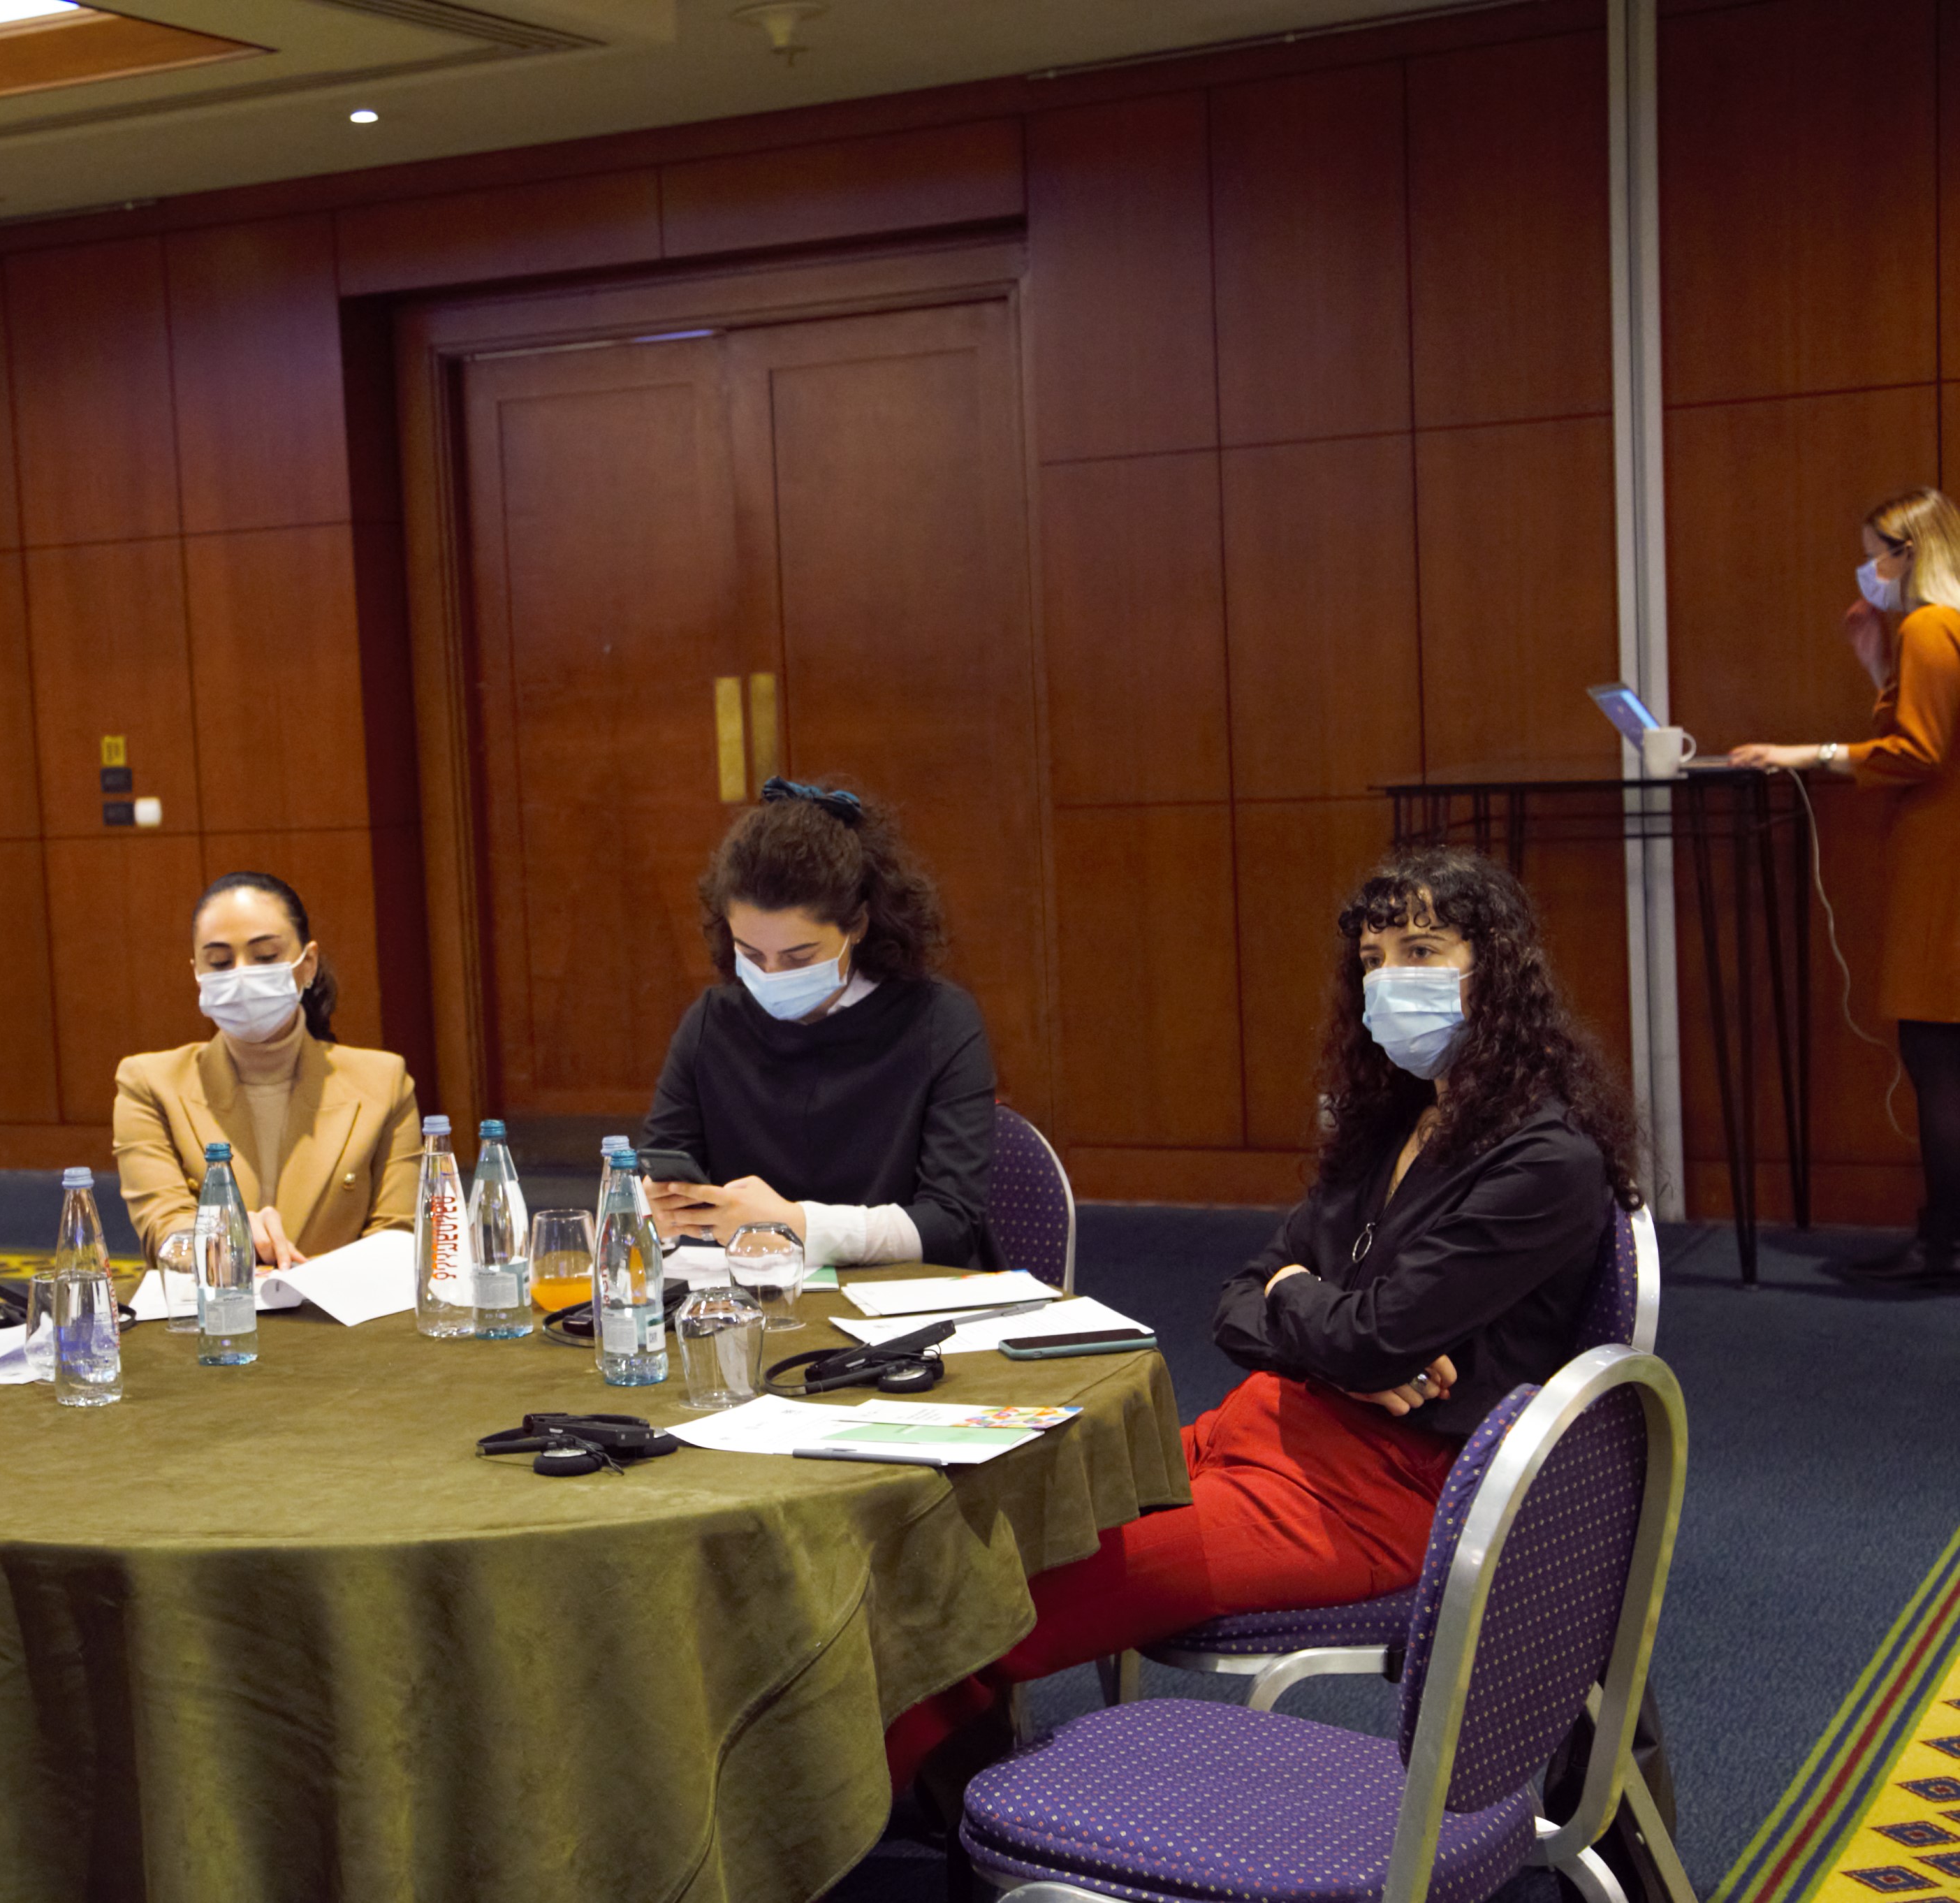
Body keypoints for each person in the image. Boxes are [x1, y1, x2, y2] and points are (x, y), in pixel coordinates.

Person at [885, 847, 1639, 1787]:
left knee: (990, 1598)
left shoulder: (1544, 1161)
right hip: (1260, 1427)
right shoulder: (1393, 1123)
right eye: (1372, 961)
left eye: (1420, 952)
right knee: (964, 1529)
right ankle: (926, 1797)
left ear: (1497, 971)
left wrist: (1311, 1305)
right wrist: (1321, 1324)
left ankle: (853, 1820)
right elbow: (1237, 1306)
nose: (1389, 981)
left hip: (1375, 1493)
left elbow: (1367, 1336)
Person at [1727, 486, 1960, 1285]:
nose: (1867, 572)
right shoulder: (1937, 627)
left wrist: (1808, 754)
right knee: (1941, 1053)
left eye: (1874, 555)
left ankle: (1943, 1246)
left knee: (1934, 1054)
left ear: (1908, 552)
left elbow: (1917, 751)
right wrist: (1875, 665)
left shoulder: (1929, 625)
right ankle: (1943, 1238)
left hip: (1942, 867)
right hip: (1943, 858)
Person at [643, 777, 999, 1268]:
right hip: (756, 1294)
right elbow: (658, 1180)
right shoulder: (712, 1025)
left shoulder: (938, 1023)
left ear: (857, 926)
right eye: (751, 954)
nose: (771, 975)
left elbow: (951, 1225)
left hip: (903, 1297)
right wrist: (658, 1210)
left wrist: (797, 1226)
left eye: (798, 957)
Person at [114, 873, 421, 1265]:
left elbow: (397, 1234)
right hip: (217, 1297)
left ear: (308, 964)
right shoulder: (149, 1082)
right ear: (198, 973)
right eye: (220, 962)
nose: (242, 975)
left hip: (340, 1303)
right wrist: (222, 1242)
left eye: (265, 957)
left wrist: (312, 1284)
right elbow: (164, 1229)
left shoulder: (384, 1080)